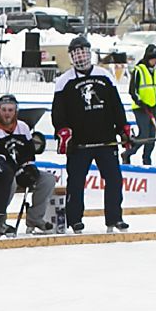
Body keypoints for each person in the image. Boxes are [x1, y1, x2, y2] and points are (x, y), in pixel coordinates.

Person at [50, 36, 132, 233]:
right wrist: (62, 131)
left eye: (83, 51)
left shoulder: (105, 76)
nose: (80, 56)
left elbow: (116, 107)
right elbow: (58, 114)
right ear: (71, 57)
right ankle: (75, 219)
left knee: (114, 180)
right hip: (79, 145)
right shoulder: (64, 81)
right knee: (76, 182)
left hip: (106, 141)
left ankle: (115, 218)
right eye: (76, 53)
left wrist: (123, 128)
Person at [0, 94, 59, 235]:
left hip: (20, 170)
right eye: (4, 110)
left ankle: (35, 218)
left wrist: (29, 167)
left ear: (16, 111)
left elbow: (29, 152)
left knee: (47, 179)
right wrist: (14, 171)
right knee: (9, 181)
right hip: (0, 172)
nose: (7, 113)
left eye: (10, 110)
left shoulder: (23, 127)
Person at [123, 45, 156, 163]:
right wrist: (140, 102)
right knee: (144, 135)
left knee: (152, 137)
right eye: (153, 59)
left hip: (153, 107)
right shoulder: (139, 70)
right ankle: (128, 153)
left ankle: (147, 159)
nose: (155, 62)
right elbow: (133, 90)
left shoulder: (154, 72)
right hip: (141, 108)